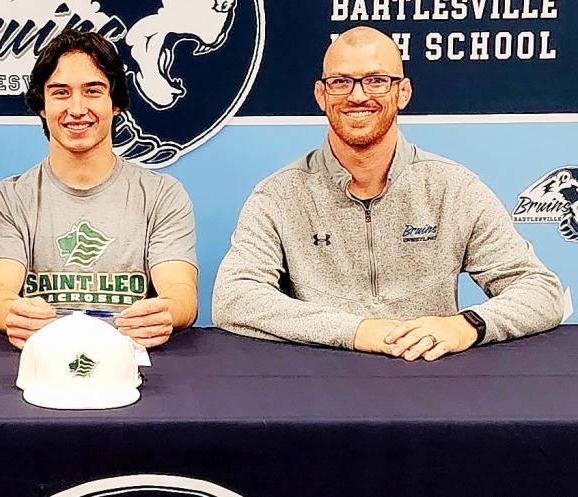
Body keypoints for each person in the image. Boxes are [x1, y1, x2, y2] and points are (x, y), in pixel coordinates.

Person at [212, 26, 563, 361]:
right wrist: (356, 331)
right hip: (316, 382)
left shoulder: (454, 188)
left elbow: (540, 290)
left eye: (377, 80)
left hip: (431, 377)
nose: (358, 95)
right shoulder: (278, 195)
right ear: (322, 95)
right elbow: (235, 298)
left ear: (403, 92)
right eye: (341, 82)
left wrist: (467, 326)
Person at [0, 29, 198, 350]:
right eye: (60, 92)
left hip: (134, 358)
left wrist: (166, 312)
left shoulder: (163, 194)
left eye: (93, 91)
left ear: (116, 103)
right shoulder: (8, 198)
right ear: (42, 105)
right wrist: (12, 312)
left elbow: (180, 290)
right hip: (42, 357)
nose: (77, 108)